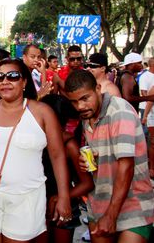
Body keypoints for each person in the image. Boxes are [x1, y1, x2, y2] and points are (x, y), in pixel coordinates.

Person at [0, 58, 71, 243]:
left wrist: (64, 196)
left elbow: (57, 156)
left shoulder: (42, 112)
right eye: (0, 77)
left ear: (24, 81)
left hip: (26, 200)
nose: (5, 81)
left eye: (13, 76)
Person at [64, 69, 154, 243]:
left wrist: (111, 215)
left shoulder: (119, 111)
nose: (80, 106)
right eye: (74, 102)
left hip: (133, 206)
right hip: (99, 204)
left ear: (98, 88)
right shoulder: (87, 115)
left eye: (84, 98)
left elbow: (126, 165)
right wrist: (92, 160)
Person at [38, 94, 94, 243]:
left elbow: (87, 183)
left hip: (62, 206)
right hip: (35, 203)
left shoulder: (69, 145)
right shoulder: (35, 139)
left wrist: (61, 197)